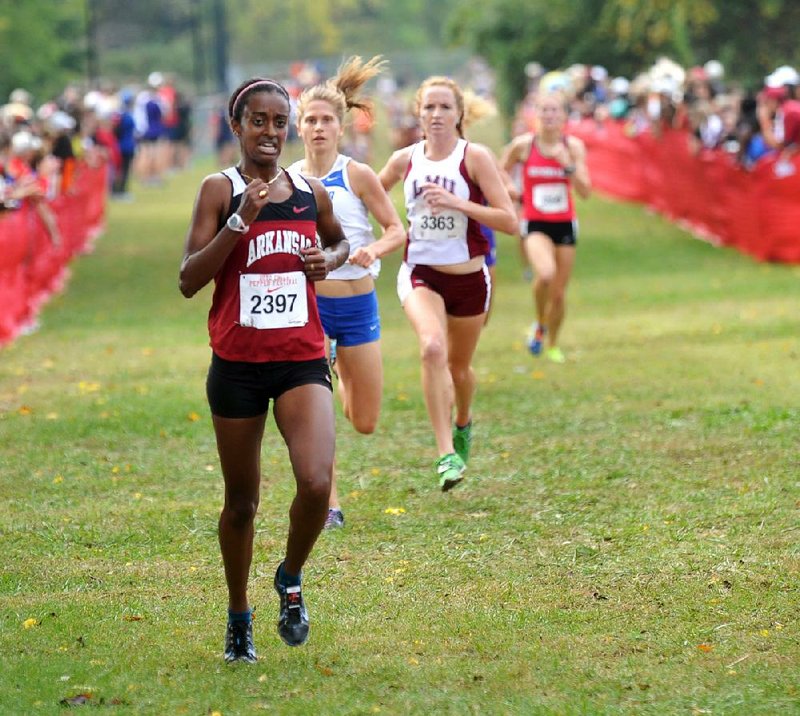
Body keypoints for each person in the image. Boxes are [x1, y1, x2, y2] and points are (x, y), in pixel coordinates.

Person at [179, 77, 349, 663]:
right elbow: (187, 280)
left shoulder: (309, 191)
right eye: (259, 121)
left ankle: (291, 576)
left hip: (300, 358)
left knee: (316, 482)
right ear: (238, 126)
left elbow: (341, 244)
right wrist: (237, 223)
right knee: (242, 503)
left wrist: (324, 260)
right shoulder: (218, 190)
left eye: (281, 122)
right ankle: (237, 617)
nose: (271, 133)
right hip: (238, 367)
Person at [378, 76, 516, 491]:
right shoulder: (404, 160)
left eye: (444, 108)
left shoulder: (475, 158)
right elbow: (366, 193)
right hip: (421, 273)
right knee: (432, 347)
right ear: (418, 115)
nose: (436, 115)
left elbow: (510, 221)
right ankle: (444, 454)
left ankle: (463, 421)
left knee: (459, 367)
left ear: (459, 115)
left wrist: (459, 203)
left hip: (470, 278)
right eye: (429, 108)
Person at [288, 56, 405, 529]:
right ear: (300, 127)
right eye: (311, 120)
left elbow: (397, 229)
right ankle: (330, 504)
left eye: (327, 120)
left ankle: (340, 373)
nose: (319, 127)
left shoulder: (357, 175)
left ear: (341, 127)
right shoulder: (290, 181)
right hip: (310, 308)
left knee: (365, 420)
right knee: (318, 413)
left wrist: (372, 249)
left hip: (358, 306)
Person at [499, 90, 591, 364]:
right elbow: (499, 170)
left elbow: (585, 191)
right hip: (535, 222)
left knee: (560, 294)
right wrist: (511, 189)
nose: (549, 116)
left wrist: (568, 166)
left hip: (564, 224)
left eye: (555, 111)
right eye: (544, 110)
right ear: (535, 116)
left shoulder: (573, 147)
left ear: (563, 116)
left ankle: (552, 343)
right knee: (546, 275)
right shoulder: (524, 145)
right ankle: (540, 322)